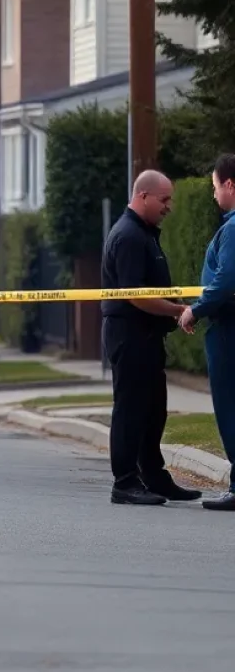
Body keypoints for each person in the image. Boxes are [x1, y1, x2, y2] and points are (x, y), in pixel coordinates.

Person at [101, 170, 201, 505]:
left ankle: (154, 476)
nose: (169, 206)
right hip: (129, 334)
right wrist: (176, 310)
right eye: (164, 199)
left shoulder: (144, 233)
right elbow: (136, 296)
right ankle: (125, 481)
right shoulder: (128, 236)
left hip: (146, 336)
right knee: (130, 409)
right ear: (143, 196)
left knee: (153, 409)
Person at [178, 154, 235, 511]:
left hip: (228, 328)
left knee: (229, 406)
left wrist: (194, 310)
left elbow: (225, 280)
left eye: (215, 187)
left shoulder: (232, 228)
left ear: (230, 185)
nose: (214, 196)